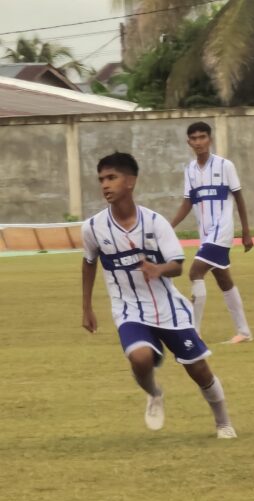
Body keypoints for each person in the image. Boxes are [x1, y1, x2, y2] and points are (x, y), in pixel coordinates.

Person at [82, 152, 237, 439]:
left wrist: (159, 269)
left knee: (199, 369)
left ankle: (223, 422)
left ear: (130, 182)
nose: (105, 184)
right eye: (101, 179)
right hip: (128, 309)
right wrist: (87, 307)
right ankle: (154, 393)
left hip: (169, 308)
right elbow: (89, 262)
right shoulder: (92, 228)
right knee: (139, 359)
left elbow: (178, 266)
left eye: (112, 178)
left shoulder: (156, 223)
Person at [171, 121, 254, 343]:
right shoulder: (189, 170)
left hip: (223, 231)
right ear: (189, 142)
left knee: (195, 272)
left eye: (202, 137)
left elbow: (239, 198)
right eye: (194, 138)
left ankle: (194, 333)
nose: (199, 142)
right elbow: (188, 202)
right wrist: (168, 227)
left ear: (210, 139)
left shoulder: (225, 166)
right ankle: (244, 332)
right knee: (223, 279)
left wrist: (246, 231)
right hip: (206, 234)